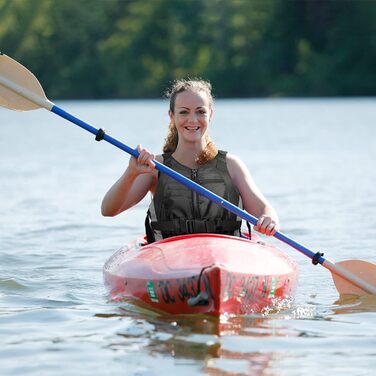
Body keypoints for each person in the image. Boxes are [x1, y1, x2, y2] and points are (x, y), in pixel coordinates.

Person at [101, 79, 279, 242]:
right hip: (169, 257)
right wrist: (131, 173)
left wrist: (269, 220)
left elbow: (265, 210)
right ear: (172, 116)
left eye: (200, 111)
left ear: (210, 114)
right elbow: (108, 210)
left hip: (225, 254)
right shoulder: (155, 167)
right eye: (184, 112)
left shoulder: (231, 165)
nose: (192, 120)